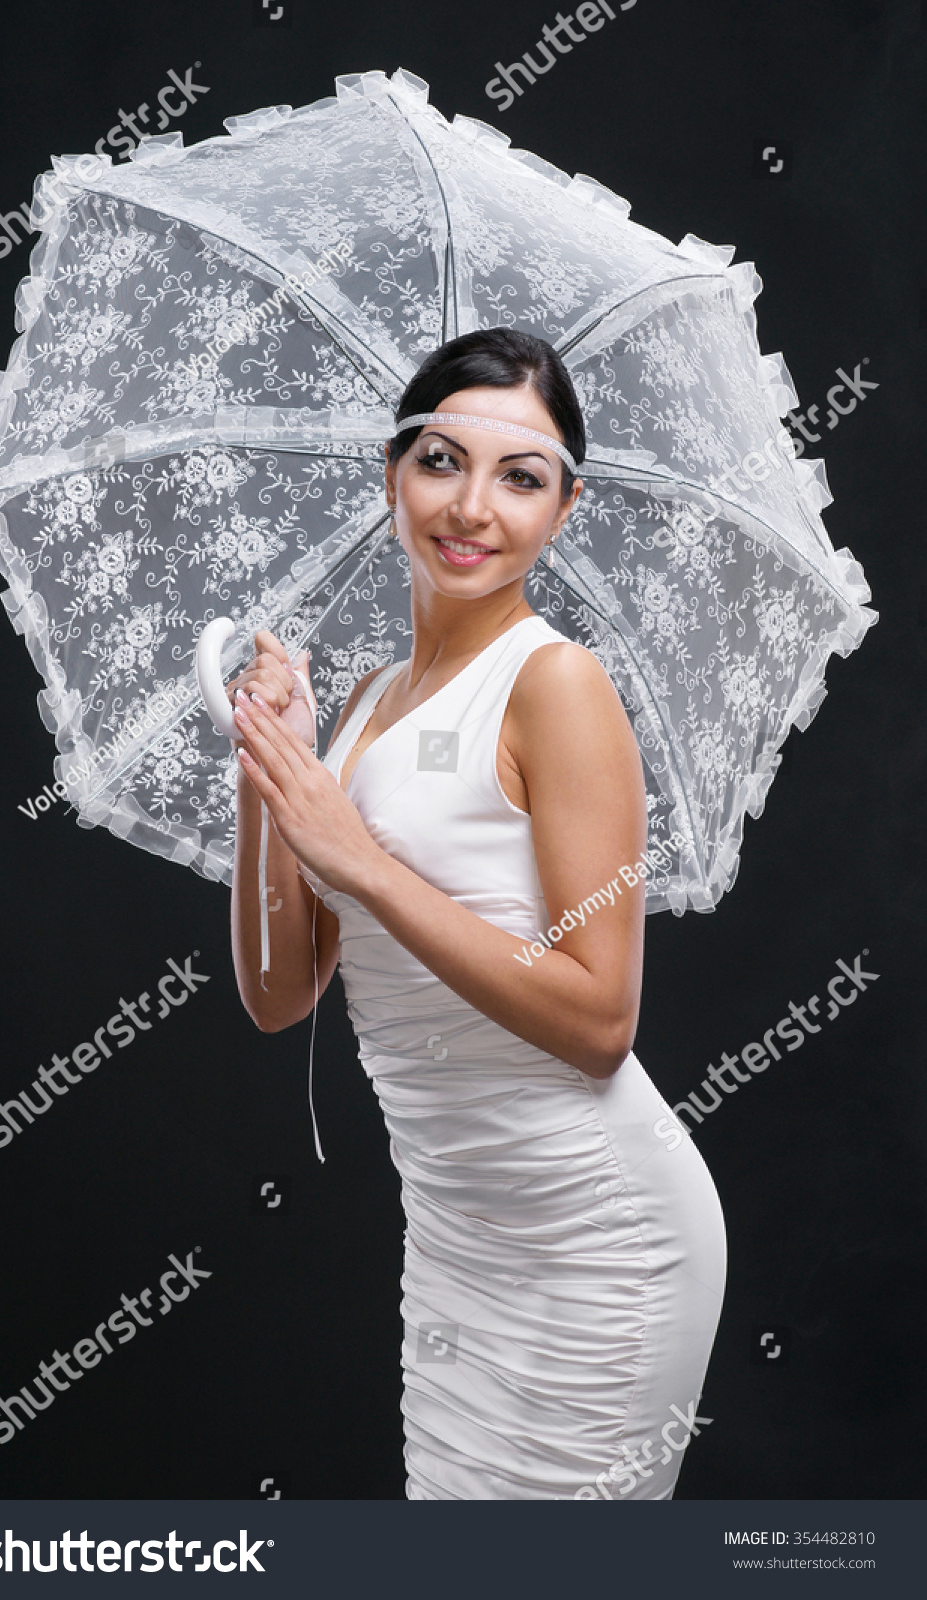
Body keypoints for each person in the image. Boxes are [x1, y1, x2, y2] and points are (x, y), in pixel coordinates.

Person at [227, 328, 727, 1501]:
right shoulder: (358, 705)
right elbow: (275, 992)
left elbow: (600, 1018)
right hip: (457, 1239)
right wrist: (275, 779)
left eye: (521, 476)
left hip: (598, 1236)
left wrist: (365, 863)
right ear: (392, 471)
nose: (471, 507)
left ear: (565, 506)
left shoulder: (555, 685)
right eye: (441, 460)